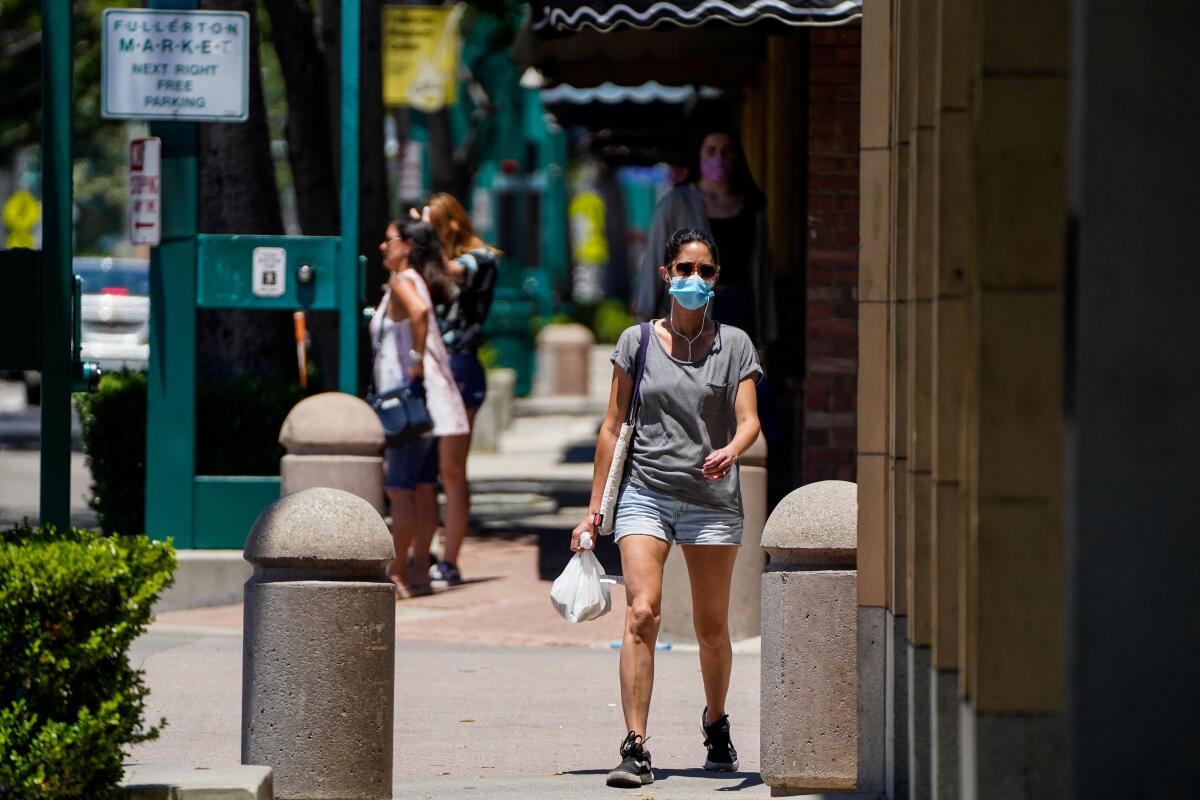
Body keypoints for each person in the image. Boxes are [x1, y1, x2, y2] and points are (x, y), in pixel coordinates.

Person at [572, 228, 762, 787]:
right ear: (665, 275)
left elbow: (750, 419)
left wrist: (731, 449)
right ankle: (635, 746)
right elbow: (612, 427)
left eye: (705, 272)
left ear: (716, 280)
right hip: (646, 493)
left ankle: (716, 720)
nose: (694, 280)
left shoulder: (736, 345)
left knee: (710, 628)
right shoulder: (637, 343)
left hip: (711, 502)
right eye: (685, 269)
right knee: (641, 613)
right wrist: (593, 511)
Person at [370, 220, 468, 598]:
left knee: (401, 491)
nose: (382, 246)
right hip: (432, 403)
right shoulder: (418, 281)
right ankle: (420, 573)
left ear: (407, 246)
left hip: (404, 404)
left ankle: (396, 574)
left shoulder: (401, 282)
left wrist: (413, 359)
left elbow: (418, 314)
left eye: (389, 240)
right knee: (426, 489)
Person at [633, 124, 777, 349]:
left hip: (739, 311)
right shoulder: (675, 203)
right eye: (711, 150)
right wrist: (643, 321)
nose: (718, 158)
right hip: (687, 310)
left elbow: (762, 273)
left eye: (726, 151)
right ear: (698, 156)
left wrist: (766, 335)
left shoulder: (752, 206)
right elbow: (654, 261)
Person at [423, 192, 500, 586]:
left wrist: (420, 248)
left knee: (451, 469)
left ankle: (450, 559)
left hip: (460, 368)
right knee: (425, 469)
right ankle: (424, 552)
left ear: (449, 225)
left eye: (430, 227)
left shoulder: (479, 259)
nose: (425, 236)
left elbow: (457, 272)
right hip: (430, 369)